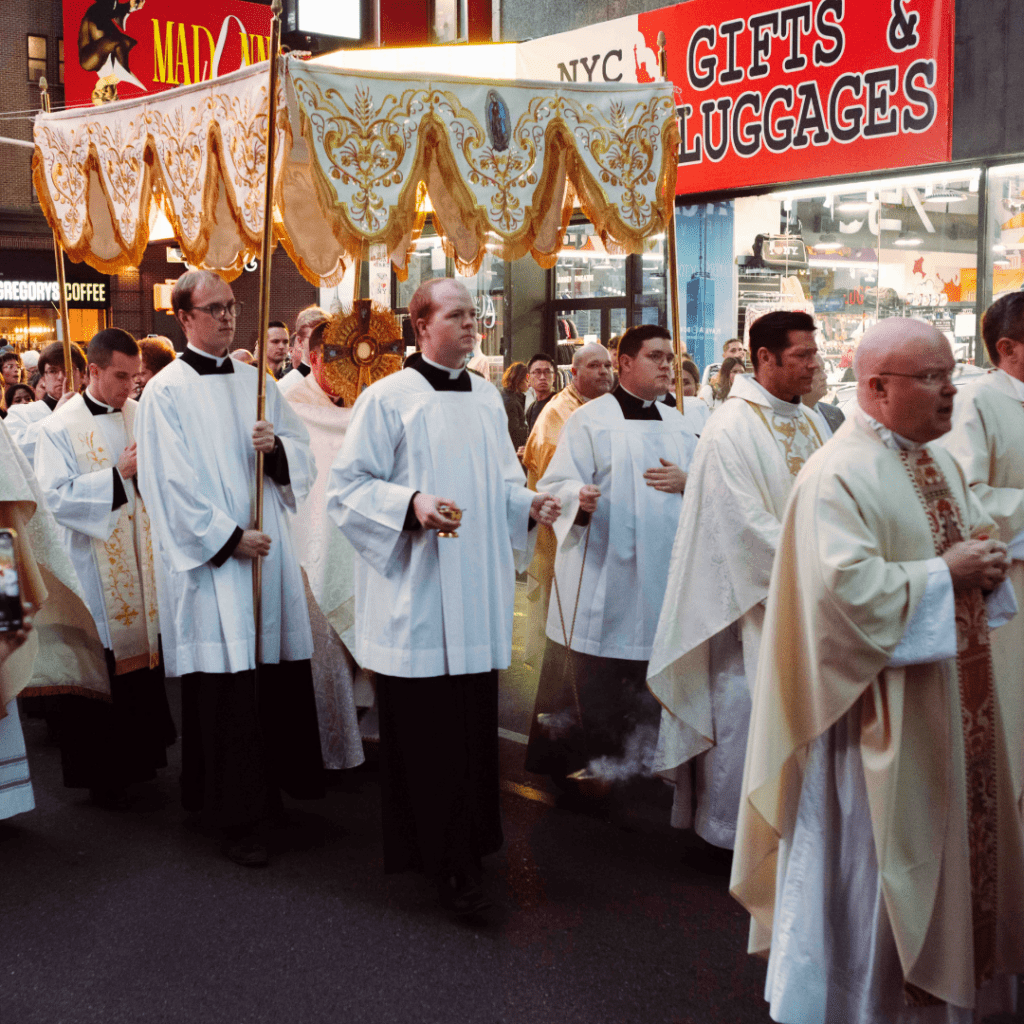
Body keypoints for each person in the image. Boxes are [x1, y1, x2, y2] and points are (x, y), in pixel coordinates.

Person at [731, 317, 1024, 1022]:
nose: (950, 391)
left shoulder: (935, 459)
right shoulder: (838, 474)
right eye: (930, 378)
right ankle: (868, 1007)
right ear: (876, 388)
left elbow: (964, 537)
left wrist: (983, 558)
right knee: (874, 876)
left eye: (950, 374)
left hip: (949, 700)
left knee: (956, 852)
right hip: (869, 724)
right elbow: (839, 601)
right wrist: (942, 573)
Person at [326, 277, 560, 917]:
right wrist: (411, 504)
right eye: (456, 315)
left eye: (473, 315)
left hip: (475, 590)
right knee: (427, 734)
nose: (471, 325)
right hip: (420, 592)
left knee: (470, 730)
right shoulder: (388, 398)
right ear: (420, 324)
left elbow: (502, 483)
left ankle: (472, 844)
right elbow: (347, 490)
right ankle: (435, 857)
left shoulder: (487, 397)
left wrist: (528, 504)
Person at [135, 270, 324, 867]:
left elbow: (306, 459)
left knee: (267, 682)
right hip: (215, 567)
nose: (226, 317)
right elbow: (170, 485)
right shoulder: (166, 391)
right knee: (226, 689)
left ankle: (268, 798)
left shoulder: (258, 382)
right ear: (184, 318)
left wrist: (281, 454)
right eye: (213, 308)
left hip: (266, 552)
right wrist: (228, 539)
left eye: (232, 306)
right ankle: (231, 813)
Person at [648, 310, 825, 854]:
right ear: (765, 358)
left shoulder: (814, 421)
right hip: (749, 604)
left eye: (815, 354)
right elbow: (743, 525)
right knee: (743, 715)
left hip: (810, 597)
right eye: (803, 356)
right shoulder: (731, 426)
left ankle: (792, 831)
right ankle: (725, 835)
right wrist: (822, 571)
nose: (815, 365)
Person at [527, 326, 698, 793]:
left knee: (652, 667)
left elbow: (707, 487)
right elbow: (552, 486)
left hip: (662, 572)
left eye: (671, 357)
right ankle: (589, 766)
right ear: (625, 363)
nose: (668, 366)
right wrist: (575, 498)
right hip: (605, 568)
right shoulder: (589, 421)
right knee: (598, 669)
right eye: (656, 357)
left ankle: (647, 764)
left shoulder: (681, 423)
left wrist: (690, 480)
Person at [34, 329, 174, 809]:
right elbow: (54, 498)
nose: (130, 387)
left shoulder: (140, 414)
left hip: (142, 556)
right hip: (93, 566)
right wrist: (119, 477)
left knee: (140, 662)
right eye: (120, 376)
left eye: (135, 377)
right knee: (103, 662)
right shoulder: (59, 427)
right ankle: (103, 774)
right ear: (91, 371)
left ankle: (142, 759)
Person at [938, 292, 1024, 793]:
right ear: (1007, 347)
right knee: (1008, 716)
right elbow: (962, 496)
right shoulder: (978, 401)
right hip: (1006, 585)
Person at [285, 317, 366, 772]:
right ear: (312, 356)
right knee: (326, 656)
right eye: (334, 357)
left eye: (352, 358)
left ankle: (371, 738)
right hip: (308, 545)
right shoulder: (285, 402)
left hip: (363, 542)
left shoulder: (370, 403)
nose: (347, 369)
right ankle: (332, 749)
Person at [521, 342, 613, 667]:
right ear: (573, 372)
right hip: (563, 532)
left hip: (603, 530)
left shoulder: (609, 406)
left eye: (607, 366)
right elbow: (553, 480)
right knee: (565, 613)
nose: (604, 372)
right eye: (594, 366)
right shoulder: (557, 414)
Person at [6, 342, 87, 465]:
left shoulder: (91, 411)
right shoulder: (21, 413)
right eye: (53, 371)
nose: (61, 377)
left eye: (67, 369)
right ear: (43, 378)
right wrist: (55, 418)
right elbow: (15, 453)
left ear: (81, 375)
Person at [278, 307, 328, 395]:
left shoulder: (340, 383)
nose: (324, 344)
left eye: (328, 337)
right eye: (315, 338)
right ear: (300, 342)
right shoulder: (284, 388)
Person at [802, 352, 844, 434]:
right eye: (816, 371)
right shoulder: (785, 421)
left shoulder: (835, 414)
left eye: (823, 370)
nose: (824, 376)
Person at [500, 362, 530, 455]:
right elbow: (514, 432)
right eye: (526, 380)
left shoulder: (507, 395)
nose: (529, 384)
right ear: (519, 380)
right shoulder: (511, 402)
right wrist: (529, 431)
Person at [524, 352, 558, 433]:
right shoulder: (531, 409)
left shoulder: (560, 404)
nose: (542, 377)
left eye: (547, 372)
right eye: (537, 372)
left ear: (553, 377)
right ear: (528, 378)